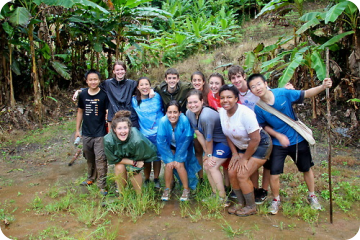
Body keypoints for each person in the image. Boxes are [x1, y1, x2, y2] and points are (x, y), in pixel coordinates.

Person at [247, 73, 332, 214]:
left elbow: (305, 94)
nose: (257, 88)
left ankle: (312, 195)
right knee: (274, 173)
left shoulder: (283, 93)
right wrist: (278, 136)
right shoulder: (258, 108)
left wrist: (323, 86)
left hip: (297, 139)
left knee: (306, 168)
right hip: (277, 144)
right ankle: (276, 200)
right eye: (253, 87)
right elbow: (264, 126)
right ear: (251, 91)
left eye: (259, 84)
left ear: (266, 83)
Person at [218, 84, 273, 216]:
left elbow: (255, 139)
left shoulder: (246, 114)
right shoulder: (222, 113)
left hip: (260, 145)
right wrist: (235, 154)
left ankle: (251, 206)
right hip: (243, 147)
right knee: (232, 172)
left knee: (242, 174)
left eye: (229, 97)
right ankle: (241, 203)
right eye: (222, 98)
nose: (225, 100)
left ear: (236, 98)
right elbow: (228, 134)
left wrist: (244, 158)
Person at [186, 89, 232, 205]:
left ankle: (222, 198)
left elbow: (209, 138)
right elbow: (199, 133)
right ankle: (214, 193)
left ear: (202, 101)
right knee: (206, 165)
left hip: (224, 142)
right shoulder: (189, 113)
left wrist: (210, 155)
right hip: (213, 143)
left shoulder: (206, 116)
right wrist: (207, 153)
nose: (193, 105)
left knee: (212, 166)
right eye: (190, 103)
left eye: (195, 102)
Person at [104, 110, 157, 196]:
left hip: (135, 156)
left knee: (134, 170)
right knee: (119, 167)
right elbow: (113, 159)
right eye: (119, 128)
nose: (123, 131)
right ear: (114, 130)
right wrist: (133, 162)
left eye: (125, 128)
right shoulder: (108, 140)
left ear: (129, 128)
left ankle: (139, 195)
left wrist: (135, 163)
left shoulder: (137, 140)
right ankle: (122, 194)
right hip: (122, 159)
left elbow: (140, 160)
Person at [157, 100, 201, 201]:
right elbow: (161, 142)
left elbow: (187, 138)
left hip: (183, 145)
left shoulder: (184, 120)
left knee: (179, 164)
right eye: (170, 112)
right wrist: (169, 159)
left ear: (180, 113)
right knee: (168, 164)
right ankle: (167, 188)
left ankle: (186, 189)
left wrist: (178, 157)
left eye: (175, 112)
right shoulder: (163, 121)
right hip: (170, 146)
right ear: (166, 113)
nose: (172, 115)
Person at [73, 61, 140, 128]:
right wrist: (80, 90)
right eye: (117, 70)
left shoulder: (131, 83)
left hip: (129, 116)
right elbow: (95, 88)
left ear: (125, 71)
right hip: (114, 116)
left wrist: (150, 91)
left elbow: (143, 89)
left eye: (122, 69)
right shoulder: (108, 83)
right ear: (113, 71)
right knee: (113, 137)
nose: (120, 72)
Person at [76, 69, 109, 196]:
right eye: (90, 80)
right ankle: (90, 178)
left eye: (95, 79)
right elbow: (80, 111)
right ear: (86, 81)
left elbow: (107, 112)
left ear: (99, 80)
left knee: (101, 158)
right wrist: (77, 130)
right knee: (89, 156)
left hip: (100, 132)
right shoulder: (83, 95)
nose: (93, 82)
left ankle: (102, 184)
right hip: (86, 132)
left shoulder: (104, 95)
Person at [131, 77, 164, 188]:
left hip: (159, 133)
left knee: (157, 157)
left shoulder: (157, 97)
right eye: (142, 85)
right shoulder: (134, 100)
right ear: (138, 87)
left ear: (150, 86)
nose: (144, 87)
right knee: (147, 158)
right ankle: (146, 179)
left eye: (147, 84)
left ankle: (156, 178)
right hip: (144, 134)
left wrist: (153, 91)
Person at [190, 71, 209, 183]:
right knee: (198, 152)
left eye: (199, 80)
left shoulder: (208, 95)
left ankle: (214, 177)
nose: (197, 82)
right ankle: (201, 177)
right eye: (194, 80)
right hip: (196, 129)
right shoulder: (190, 94)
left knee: (210, 153)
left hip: (209, 129)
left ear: (203, 82)